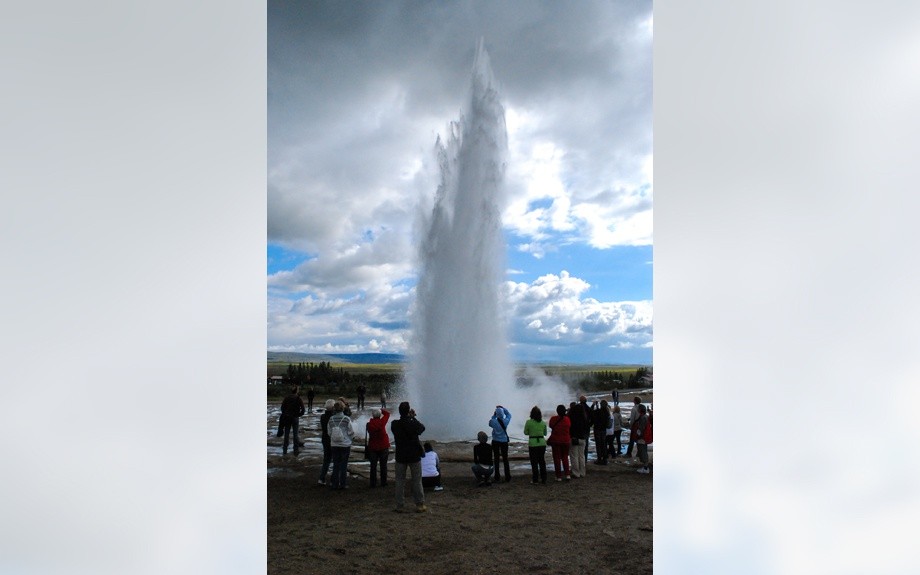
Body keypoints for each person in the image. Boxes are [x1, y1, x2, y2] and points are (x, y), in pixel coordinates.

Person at [390, 401, 427, 513]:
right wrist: (413, 418)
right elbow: (422, 428)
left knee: (400, 480)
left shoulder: (394, 424)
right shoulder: (412, 423)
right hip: (414, 456)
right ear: (408, 411)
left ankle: (399, 505)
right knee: (417, 480)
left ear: (399, 411)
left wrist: (408, 418)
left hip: (400, 455)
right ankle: (420, 504)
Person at [327, 400, 355, 489]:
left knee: (336, 464)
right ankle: (343, 484)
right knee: (344, 465)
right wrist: (350, 438)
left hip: (334, 444)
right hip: (345, 444)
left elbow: (329, 432)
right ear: (343, 408)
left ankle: (334, 484)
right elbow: (351, 432)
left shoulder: (331, 419)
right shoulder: (346, 419)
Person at [365, 407, 391, 488]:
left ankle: (373, 483)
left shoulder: (369, 424)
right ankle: (383, 482)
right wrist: (381, 409)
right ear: (380, 415)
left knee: (373, 466)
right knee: (383, 465)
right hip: (383, 445)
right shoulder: (382, 422)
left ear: (372, 415)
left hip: (373, 447)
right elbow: (387, 414)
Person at [523, 405, 548, 485]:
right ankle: (544, 479)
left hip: (533, 443)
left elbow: (526, 432)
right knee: (542, 461)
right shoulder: (543, 423)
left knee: (534, 462)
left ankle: (535, 479)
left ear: (531, 414)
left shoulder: (528, 422)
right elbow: (545, 433)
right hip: (542, 443)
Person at [279, 385, 305, 456]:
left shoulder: (286, 398)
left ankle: (285, 450)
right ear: (297, 391)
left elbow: (282, 408)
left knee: (286, 434)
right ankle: (295, 450)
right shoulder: (298, 398)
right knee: (295, 434)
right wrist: (298, 415)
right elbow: (303, 410)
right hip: (295, 418)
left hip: (287, 417)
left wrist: (285, 414)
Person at [548, 404, 571, 481]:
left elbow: (550, 426)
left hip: (556, 441)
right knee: (565, 457)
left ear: (557, 411)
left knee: (557, 458)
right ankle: (567, 474)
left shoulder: (553, 419)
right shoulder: (567, 419)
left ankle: (558, 476)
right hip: (566, 441)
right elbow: (569, 426)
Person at [489, 405, 512, 483]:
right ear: (502, 414)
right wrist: (503, 408)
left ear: (497, 414)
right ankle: (507, 476)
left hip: (495, 441)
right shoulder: (505, 421)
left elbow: (490, 422)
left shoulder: (493, 421)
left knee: (496, 459)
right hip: (504, 441)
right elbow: (509, 415)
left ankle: (497, 476)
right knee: (505, 459)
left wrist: (494, 415)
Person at [567, 400, 589, 478]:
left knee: (574, 456)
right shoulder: (585, 419)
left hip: (574, 438)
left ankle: (576, 473)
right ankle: (582, 472)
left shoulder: (572, 419)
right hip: (583, 439)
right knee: (582, 456)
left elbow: (570, 429)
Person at [317, 399, 335, 485]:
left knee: (326, 460)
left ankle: (321, 478)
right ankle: (333, 480)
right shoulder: (333, 417)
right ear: (332, 407)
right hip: (333, 440)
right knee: (336, 460)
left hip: (325, 439)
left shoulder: (322, 417)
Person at [590, 399, 611, 465]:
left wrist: (594, 405)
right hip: (603, 430)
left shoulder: (597, 411)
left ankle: (599, 459)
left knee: (598, 444)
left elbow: (591, 412)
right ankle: (605, 459)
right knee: (604, 444)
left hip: (597, 429)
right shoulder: (607, 413)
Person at [633, 403, 651, 474]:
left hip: (642, 438)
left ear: (640, 410)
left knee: (643, 452)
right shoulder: (645, 416)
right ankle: (645, 467)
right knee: (643, 451)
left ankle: (645, 468)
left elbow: (641, 429)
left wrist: (638, 436)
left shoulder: (643, 417)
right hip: (643, 438)